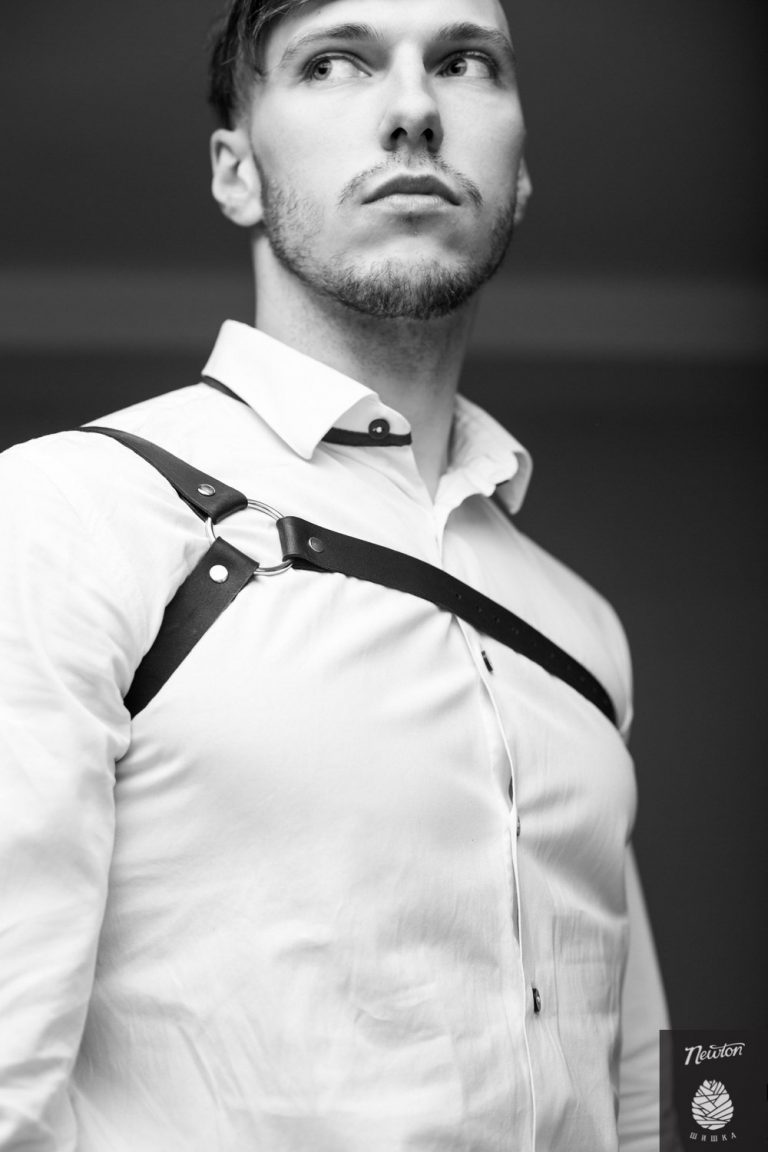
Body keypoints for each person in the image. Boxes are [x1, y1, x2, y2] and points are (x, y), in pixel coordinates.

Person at [0, 0, 669, 1148]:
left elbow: (656, 1065)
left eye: (464, 62)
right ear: (236, 172)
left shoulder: (582, 623)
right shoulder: (70, 511)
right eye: (335, 62)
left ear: (518, 178)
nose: (413, 109)